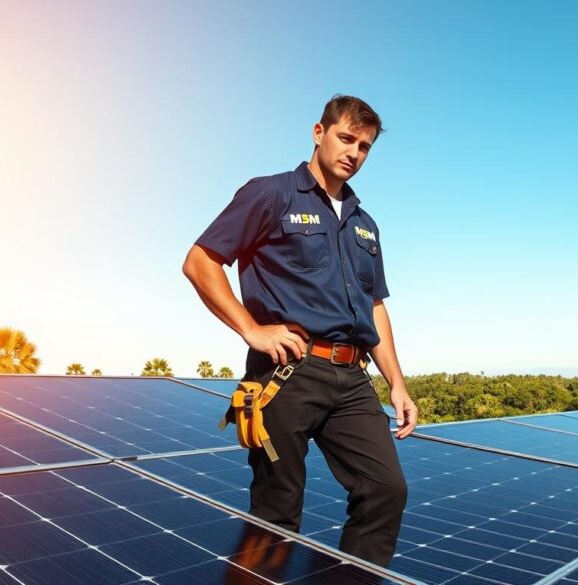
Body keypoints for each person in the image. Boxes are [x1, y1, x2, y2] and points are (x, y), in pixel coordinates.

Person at [182, 95, 416, 567]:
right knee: (277, 513)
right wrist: (252, 329)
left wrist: (397, 382)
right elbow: (200, 261)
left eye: (365, 146)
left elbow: (375, 307)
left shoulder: (364, 223)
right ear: (318, 132)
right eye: (346, 138)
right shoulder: (270, 194)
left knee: (386, 491)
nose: (354, 152)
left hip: (352, 378)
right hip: (286, 374)